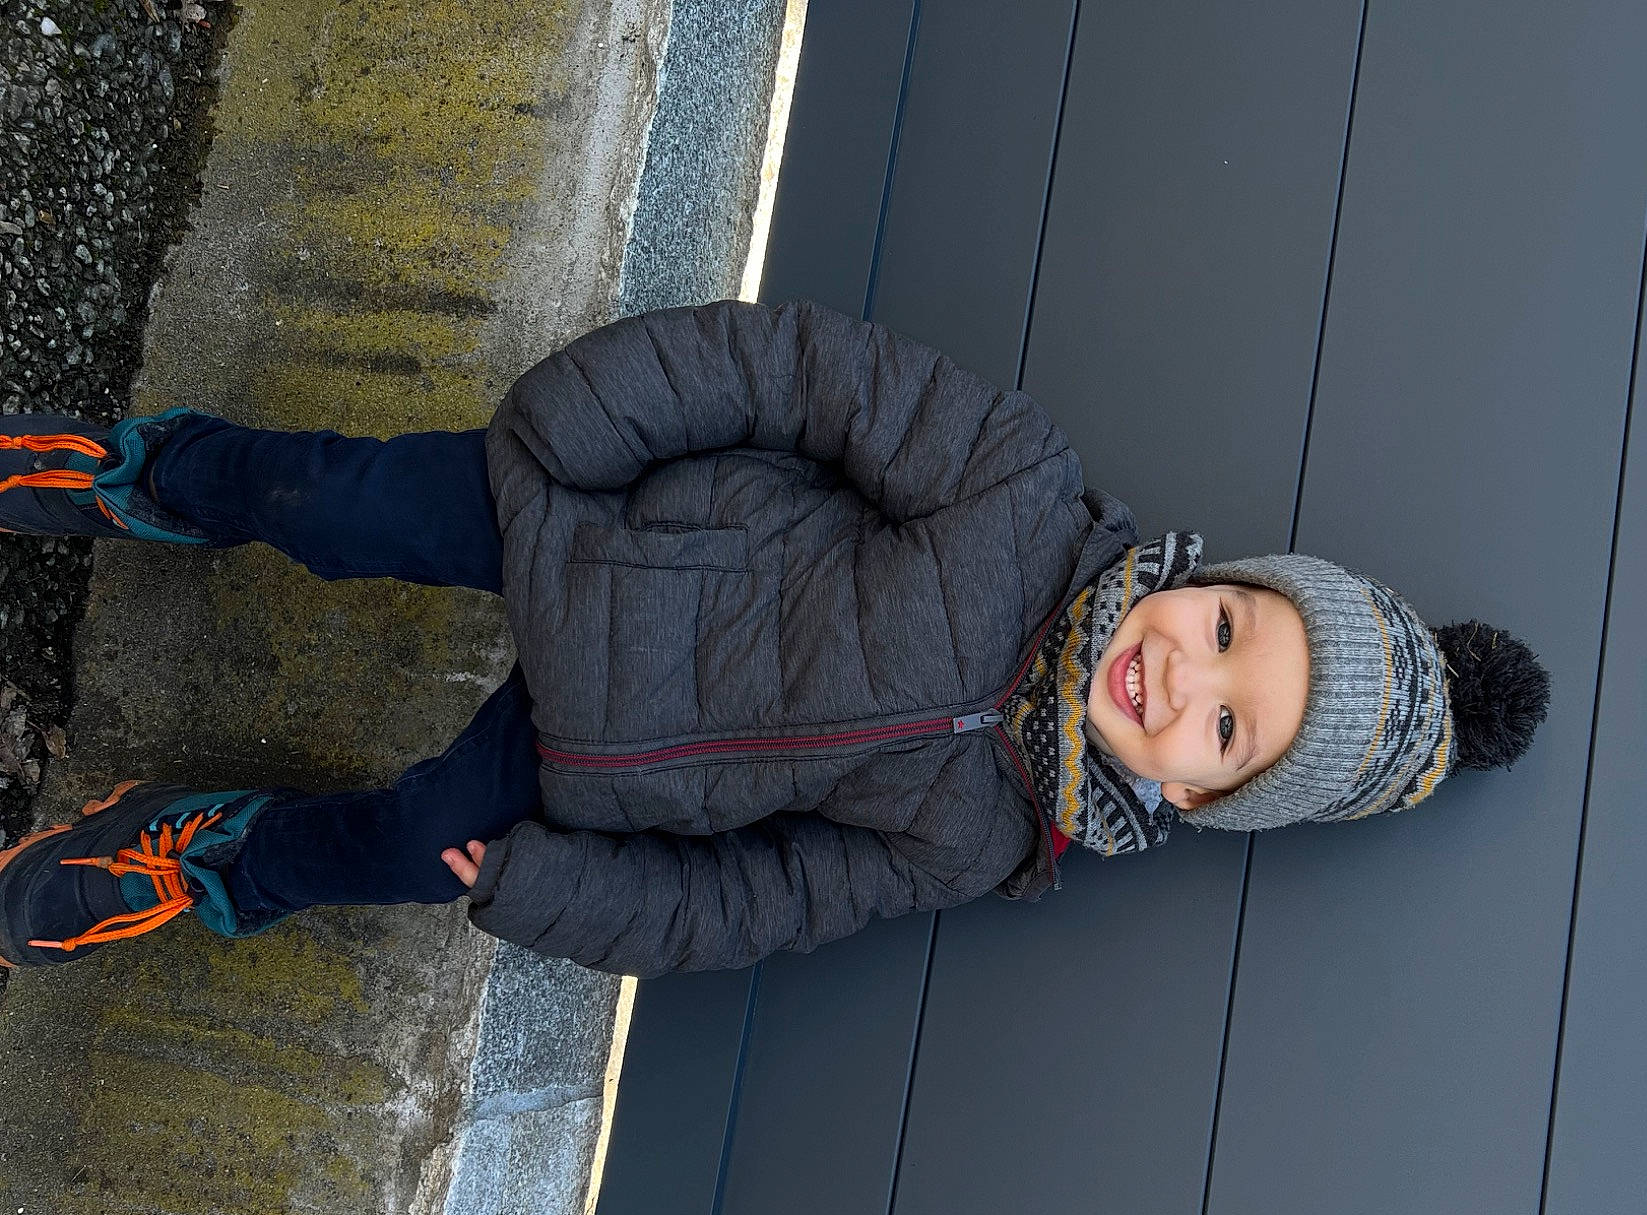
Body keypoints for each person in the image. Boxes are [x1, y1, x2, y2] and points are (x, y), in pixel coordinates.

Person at [0, 300, 1548, 977]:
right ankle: (153, 478)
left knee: (416, 847)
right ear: (1211, 576)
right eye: (1224, 628)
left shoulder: (976, 841)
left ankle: (205, 859)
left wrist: (562, 891)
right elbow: (804, 374)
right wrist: (584, 421)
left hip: (591, 773)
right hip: (588, 527)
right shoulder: (1020, 487)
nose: (1183, 672)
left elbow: (752, 905)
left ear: (1203, 799)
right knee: (326, 499)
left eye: (1224, 724)